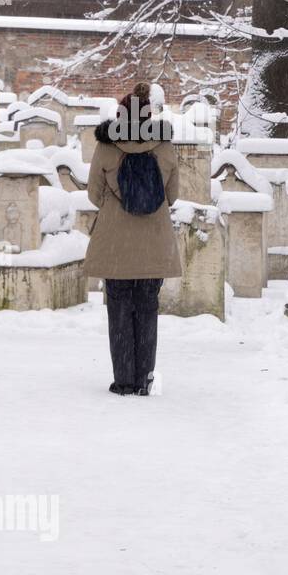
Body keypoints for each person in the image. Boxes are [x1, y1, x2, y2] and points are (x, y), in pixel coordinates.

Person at [83, 83, 181, 395]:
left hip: (115, 243)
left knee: (119, 309)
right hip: (154, 241)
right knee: (148, 309)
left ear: (121, 115)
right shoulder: (164, 147)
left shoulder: (107, 146)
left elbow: (93, 194)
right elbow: (173, 196)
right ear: (149, 115)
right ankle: (144, 379)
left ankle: (123, 380)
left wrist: (115, 204)